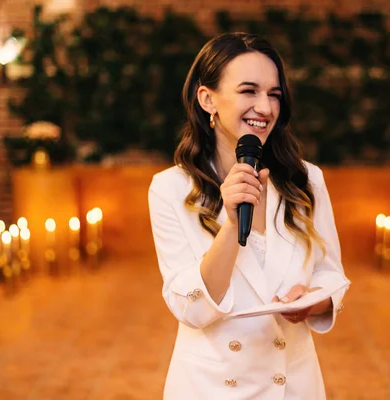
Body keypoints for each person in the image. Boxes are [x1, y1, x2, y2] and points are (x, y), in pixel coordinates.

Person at [148, 32, 350, 399]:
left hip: (293, 384)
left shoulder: (306, 180)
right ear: (207, 99)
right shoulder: (170, 189)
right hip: (211, 387)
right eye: (249, 91)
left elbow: (330, 273)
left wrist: (312, 300)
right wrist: (230, 221)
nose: (265, 107)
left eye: (274, 94)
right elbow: (191, 309)